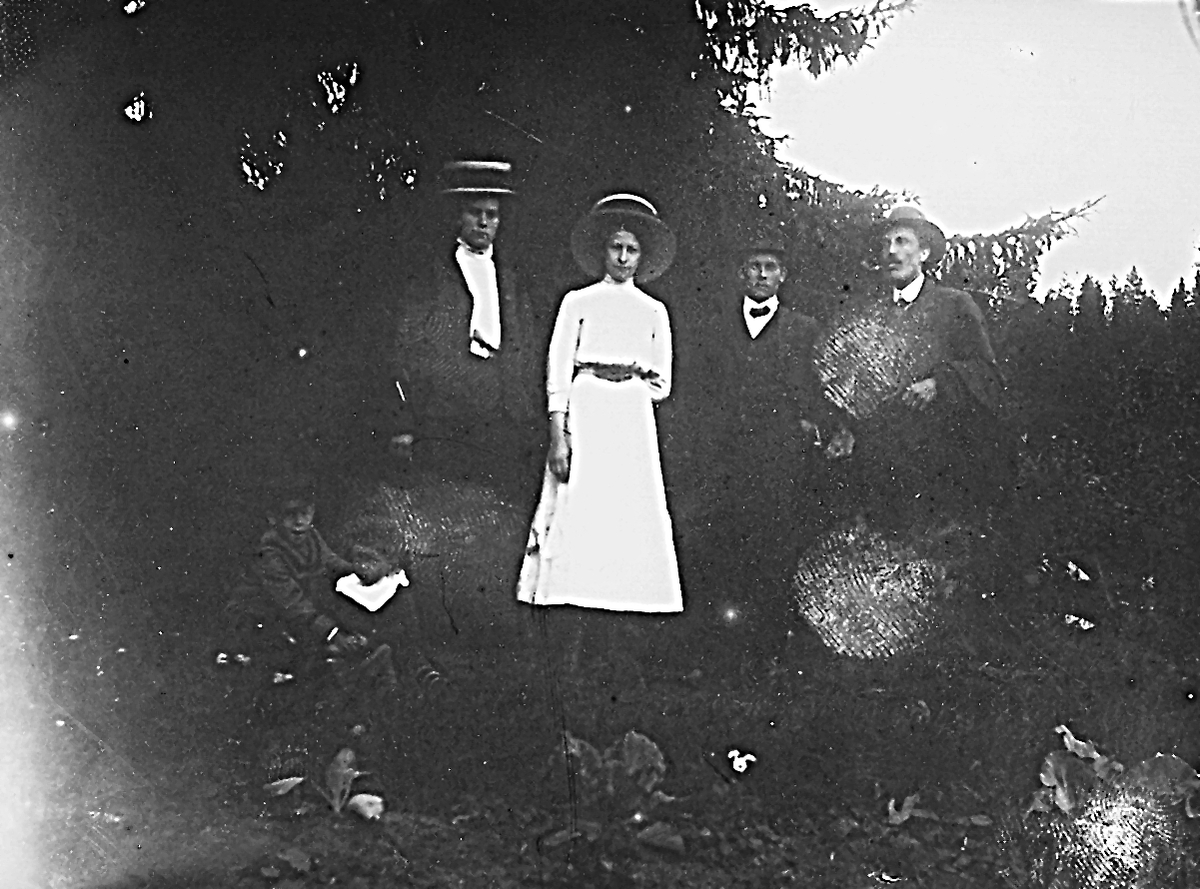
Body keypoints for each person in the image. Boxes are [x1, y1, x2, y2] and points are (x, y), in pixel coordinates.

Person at [516, 194, 683, 671]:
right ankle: (568, 642)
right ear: (602, 251)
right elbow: (557, 373)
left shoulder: (653, 311)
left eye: (632, 249)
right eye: (616, 247)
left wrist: (626, 385)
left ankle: (617, 647)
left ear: (642, 256)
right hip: (585, 409)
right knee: (578, 514)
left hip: (629, 418)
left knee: (626, 517)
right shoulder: (578, 302)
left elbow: (662, 384)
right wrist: (560, 433)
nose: (623, 257)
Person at [816, 205, 1005, 532]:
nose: (891, 251)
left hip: (935, 466)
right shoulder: (866, 311)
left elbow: (987, 374)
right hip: (874, 467)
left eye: (902, 241)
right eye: (885, 243)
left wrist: (939, 383)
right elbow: (845, 384)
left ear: (924, 252)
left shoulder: (953, 305)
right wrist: (842, 427)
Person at [700, 236, 854, 612]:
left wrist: (821, 426)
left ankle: (769, 626)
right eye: (754, 267)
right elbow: (704, 389)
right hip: (725, 451)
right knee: (723, 537)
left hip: (780, 451)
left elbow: (819, 389)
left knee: (775, 537)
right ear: (742, 273)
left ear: (782, 276)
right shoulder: (716, 326)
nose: (762, 274)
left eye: (770, 268)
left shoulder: (805, 329)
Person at [388, 159, 540, 499]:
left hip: (503, 406)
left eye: (492, 215)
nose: (484, 222)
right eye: (475, 212)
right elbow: (408, 344)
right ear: (459, 215)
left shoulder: (511, 278)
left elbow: (527, 344)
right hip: (448, 407)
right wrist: (406, 420)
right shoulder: (434, 273)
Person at [251, 482, 399, 686]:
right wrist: (332, 633)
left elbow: (331, 562)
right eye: (290, 514)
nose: (299, 521)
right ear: (272, 518)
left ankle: (368, 673)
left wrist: (361, 572)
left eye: (305, 513)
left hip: (302, 615)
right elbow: (291, 602)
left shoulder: (311, 537)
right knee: (292, 656)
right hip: (267, 616)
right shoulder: (268, 552)